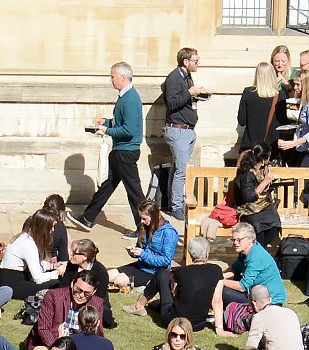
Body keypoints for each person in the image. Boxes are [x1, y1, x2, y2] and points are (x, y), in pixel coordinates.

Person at [77, 62, 149, 231]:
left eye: (113, 77)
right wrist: (106, 122)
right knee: (107, 186)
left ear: (123, 78)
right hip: (120, 151)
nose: (111, 80)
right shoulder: (125, 97)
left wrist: (107, 130)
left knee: (135, 193)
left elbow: (129, 129)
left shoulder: (130, 99)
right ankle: (88, 218)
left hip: (126, 151)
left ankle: (145, 228)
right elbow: (122, 122)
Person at [158, 47, 210, 214]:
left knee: (178, 168)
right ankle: (177, 206)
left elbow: (183, 99)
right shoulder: (174, 78)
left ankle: (172, 202)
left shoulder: (187, 76)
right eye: (195, 61)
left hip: (187, 130)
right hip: (178, 130)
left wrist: (197, 95)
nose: (198, 63)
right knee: (182, 170)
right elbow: (172, 103)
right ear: (185, 62)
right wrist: (189, 92)